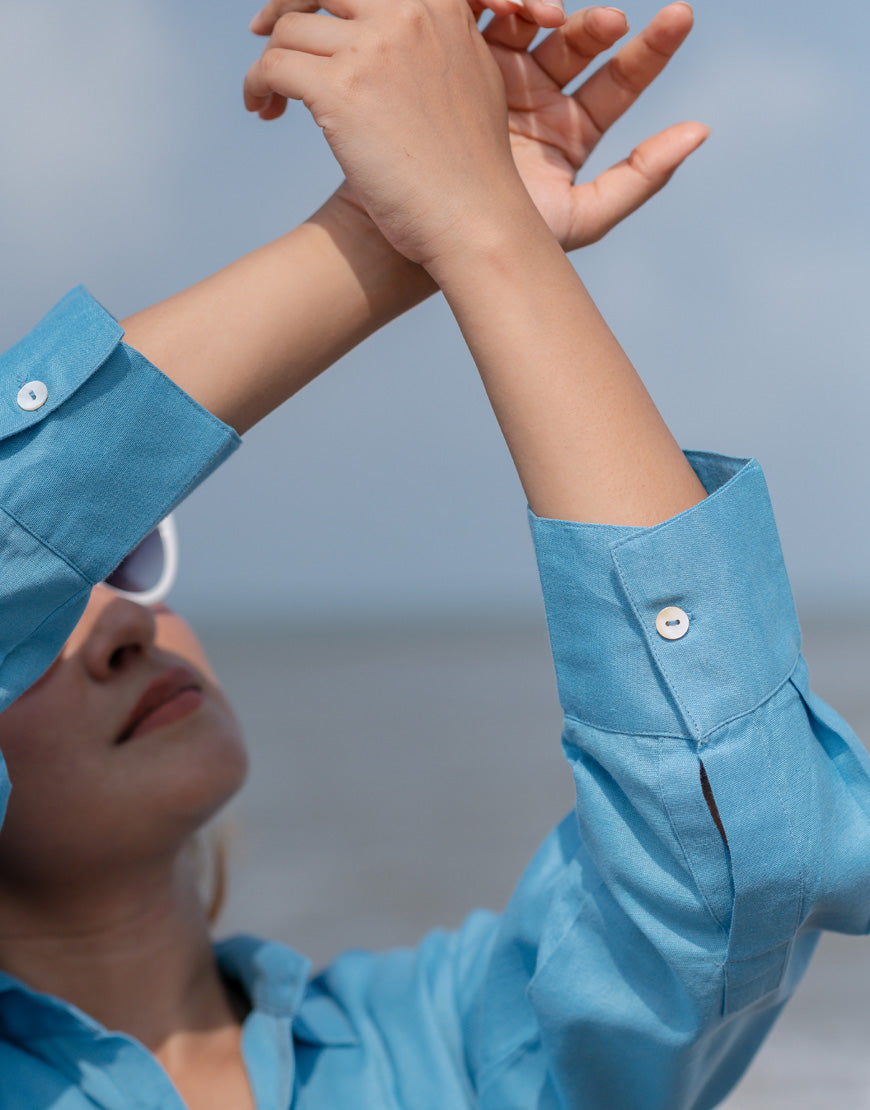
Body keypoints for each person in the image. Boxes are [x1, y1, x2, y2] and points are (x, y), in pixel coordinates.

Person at [1, 2, 868, 1108]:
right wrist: (382, 236)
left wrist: (473, 229)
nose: (121, 625)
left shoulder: (457, 1050)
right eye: (37, 616)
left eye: (116, 562)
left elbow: (747, 846)